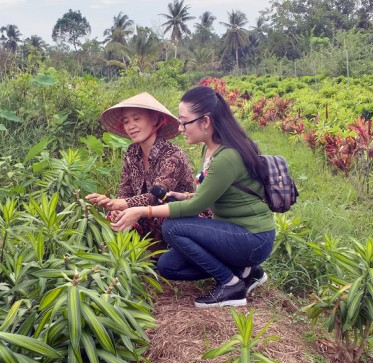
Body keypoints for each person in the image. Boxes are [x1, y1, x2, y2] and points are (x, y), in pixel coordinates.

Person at [111, 86, 275, 308]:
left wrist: (142, 210)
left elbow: (197, 205)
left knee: (173, 228)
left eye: (185, 121)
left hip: (252, 238)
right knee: (168, 265)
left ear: (205, 122)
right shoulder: (211, 151)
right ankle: (246, 271)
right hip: (232, 232)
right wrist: (186, 194)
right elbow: (212, 192)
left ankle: (231, 285)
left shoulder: (227, 157)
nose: (180, 128)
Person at [86, 92, 194, 250]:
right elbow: (125, 190)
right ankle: (133, 259)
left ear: (155, 120)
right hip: (144, 214)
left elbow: (157, 196)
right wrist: (115, 206)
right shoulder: (131, 153)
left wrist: (122, 204)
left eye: (137, 119)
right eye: (126, 121)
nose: (131, 126)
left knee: (159, 217)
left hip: (177, 217)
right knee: (114, 216)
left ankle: (169, 256)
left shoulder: (172, 155)